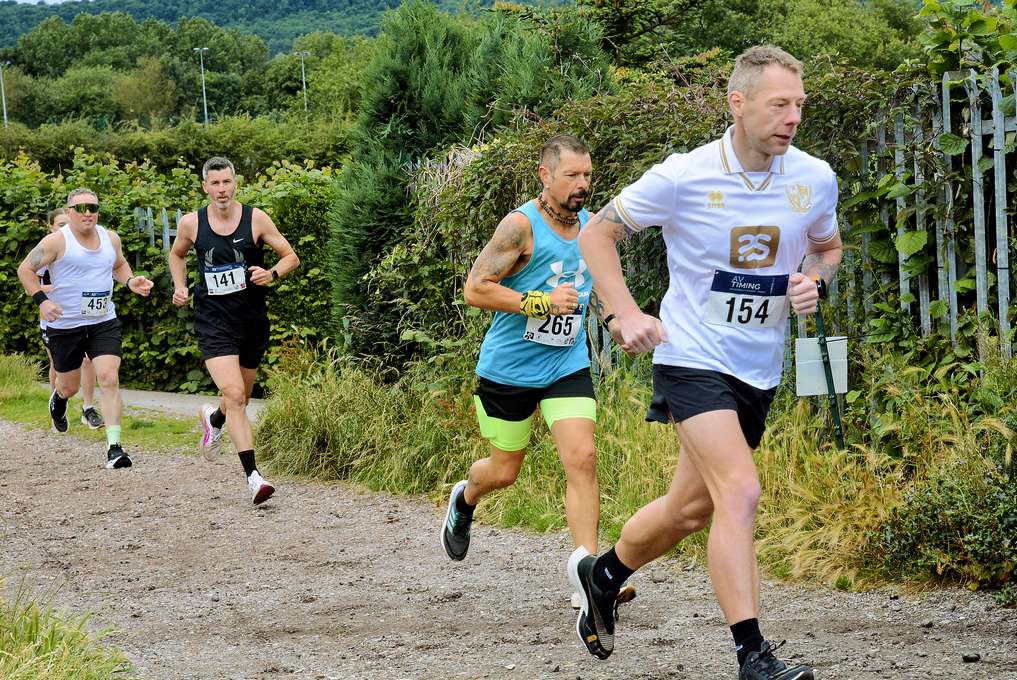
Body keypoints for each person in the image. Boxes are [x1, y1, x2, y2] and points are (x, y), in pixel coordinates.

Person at [568, 45, 842, 680]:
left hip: (758, 368)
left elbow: (827, 248)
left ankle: (603, 575)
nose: (793, 117)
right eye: (779, 104)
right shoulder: (684, 176)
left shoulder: (814, 177)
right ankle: (753, 655)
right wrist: (623, 313)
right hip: (690, 356)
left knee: (690, 509)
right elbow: (596, 234)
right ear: (737, 103)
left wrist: (814, 282)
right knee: (740, 491)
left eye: (799, 105)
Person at [440, 134, 635, 608]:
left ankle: (590, 580)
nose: (582, 183)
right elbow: (475, 288)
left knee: (583, 457)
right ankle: (465, 498)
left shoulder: (593, 228)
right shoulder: (520, 227)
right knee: (503, 471)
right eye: (572, 175)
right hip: (510, 369)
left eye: (587, 175)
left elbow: (598, 288)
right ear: (545, 175)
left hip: (566, 363)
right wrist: (539, 302)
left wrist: (618, 322)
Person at [169, 156, 299, 505]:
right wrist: (180, 286)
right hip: (213, 320)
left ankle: (214, 419)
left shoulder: (256, 218)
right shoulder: (191, 223)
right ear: (205, 187)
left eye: (227, 182)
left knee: (240, 396)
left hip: (251, 320)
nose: (222, 189)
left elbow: (290, 256)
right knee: (236, 395)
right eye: (215, 183)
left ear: (235, 184)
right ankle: (254, 477)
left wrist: (271, 274)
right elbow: (177, 255)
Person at [18, 189, 155, 469]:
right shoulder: (57, 241)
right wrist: (42, 301)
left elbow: (119, 264)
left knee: (109, 378)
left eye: (93, 207)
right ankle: (59, 399)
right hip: (65, 325)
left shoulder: (110, 238)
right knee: (69, 386)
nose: (88, 213)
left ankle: (115, 448)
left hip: (102, 321)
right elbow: (25, 270)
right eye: (81, 208)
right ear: (69, 212)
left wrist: (131, 282)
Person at [38, 208, 104, 430]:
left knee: (87, 360)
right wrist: (57, 289)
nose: (66, 229)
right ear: (50, 227)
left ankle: (88, 408)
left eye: (68, 224)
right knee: (58, 366)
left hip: (84, 316)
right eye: (60, 225)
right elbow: (32, 283)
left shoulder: (82, 248)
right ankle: (58, 404)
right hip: (55, 320)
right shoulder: (48, 248)